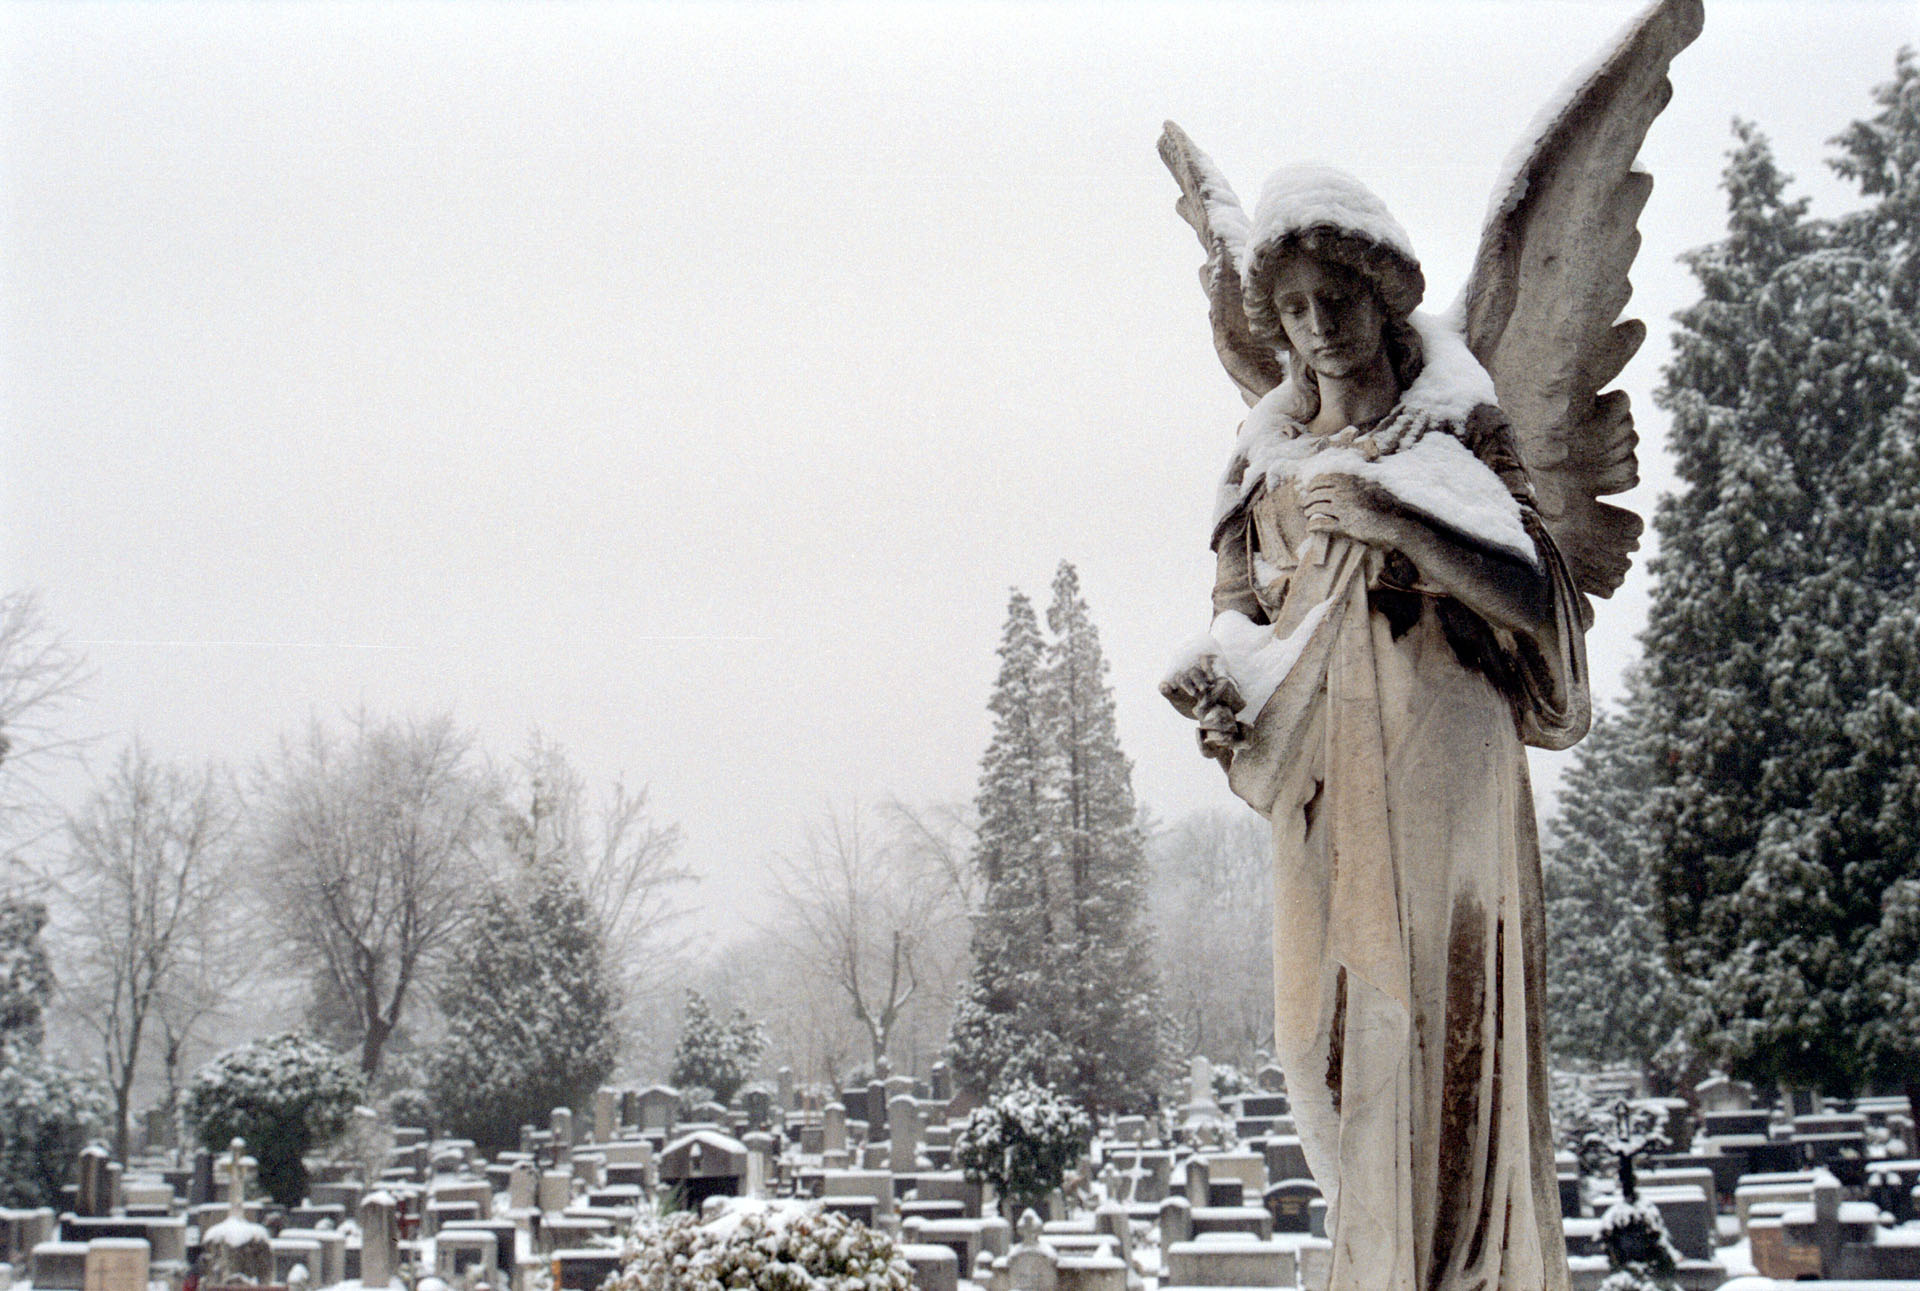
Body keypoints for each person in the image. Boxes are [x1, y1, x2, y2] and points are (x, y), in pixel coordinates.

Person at [1162, 166, 1586, 1291]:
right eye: (1293, 308)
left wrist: (1400, 516)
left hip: (1447, 758)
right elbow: (1238, 612)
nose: (1318, 327)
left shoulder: (1449, 426)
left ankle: (1454, 1272)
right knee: (1317, 1043)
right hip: (1319, 774)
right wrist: (1222, 694)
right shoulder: (1263, 454)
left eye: (1336, 299)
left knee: (1441, 1019)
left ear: (1383, 295)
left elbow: (1541, 598)